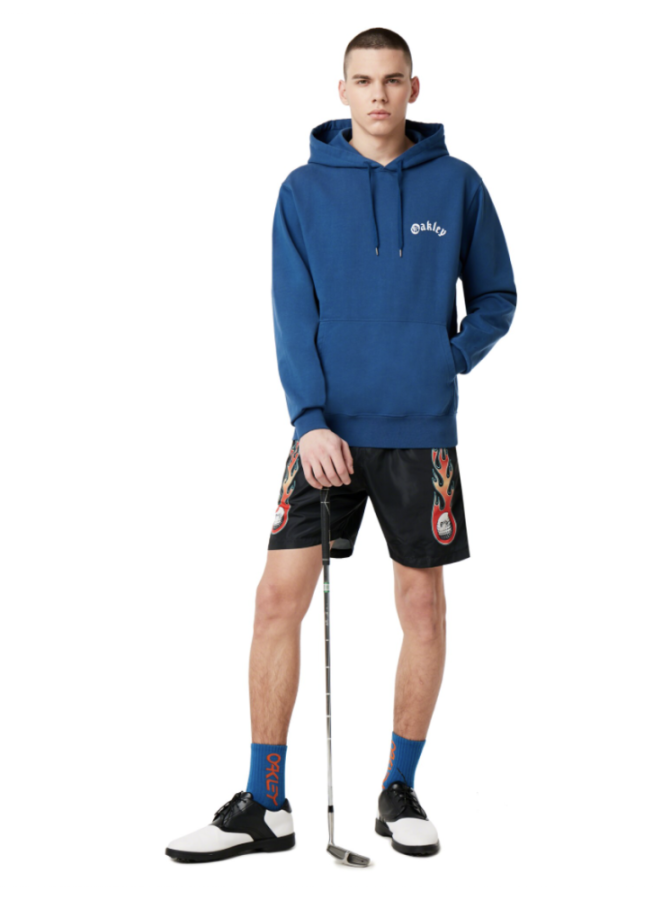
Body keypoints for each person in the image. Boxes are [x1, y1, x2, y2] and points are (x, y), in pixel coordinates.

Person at [166, 26, 517, 864]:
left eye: (392, 80)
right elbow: (292, 314)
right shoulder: (302, 191)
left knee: (422, 608)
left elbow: (497, 296)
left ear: (413, 88)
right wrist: (308, 420)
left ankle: (399, 789)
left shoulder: (458, 185)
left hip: (420, 432)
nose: (378, 95)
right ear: (342, 90)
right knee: (274, 601)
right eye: (364, 80)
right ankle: (266, 802)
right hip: (326, 432)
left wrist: (446, 358)